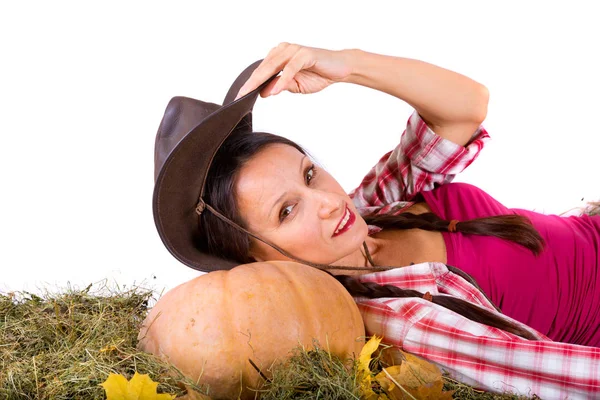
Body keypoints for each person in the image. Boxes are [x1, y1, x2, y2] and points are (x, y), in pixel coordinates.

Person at [152, 43, 600, 399]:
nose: (327, 201)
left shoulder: (368, 209)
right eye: (287, 211)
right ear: (253, 258)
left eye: (309, 174)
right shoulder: (401, 320)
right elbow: (576, 377)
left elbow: (466, 107)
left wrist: (347, 65)